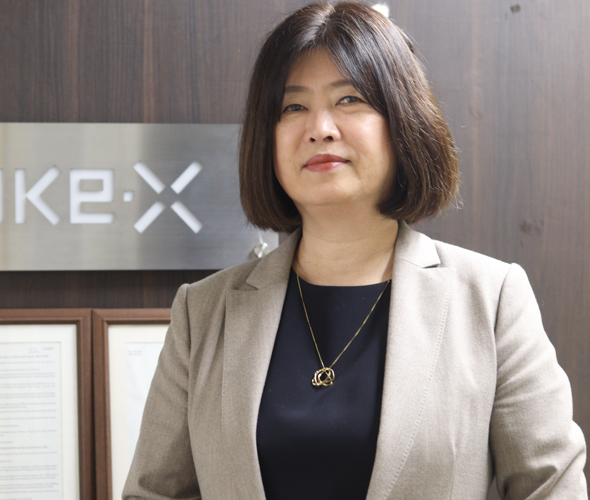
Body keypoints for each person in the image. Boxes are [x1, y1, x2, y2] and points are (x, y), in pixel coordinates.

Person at [123, 2, 587, 499]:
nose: (320, 128)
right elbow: (155, 493)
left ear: (403, 122)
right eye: (293, 107)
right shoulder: (202, 313)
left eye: (349, 99)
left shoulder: (491, 300)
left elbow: (552, 488)